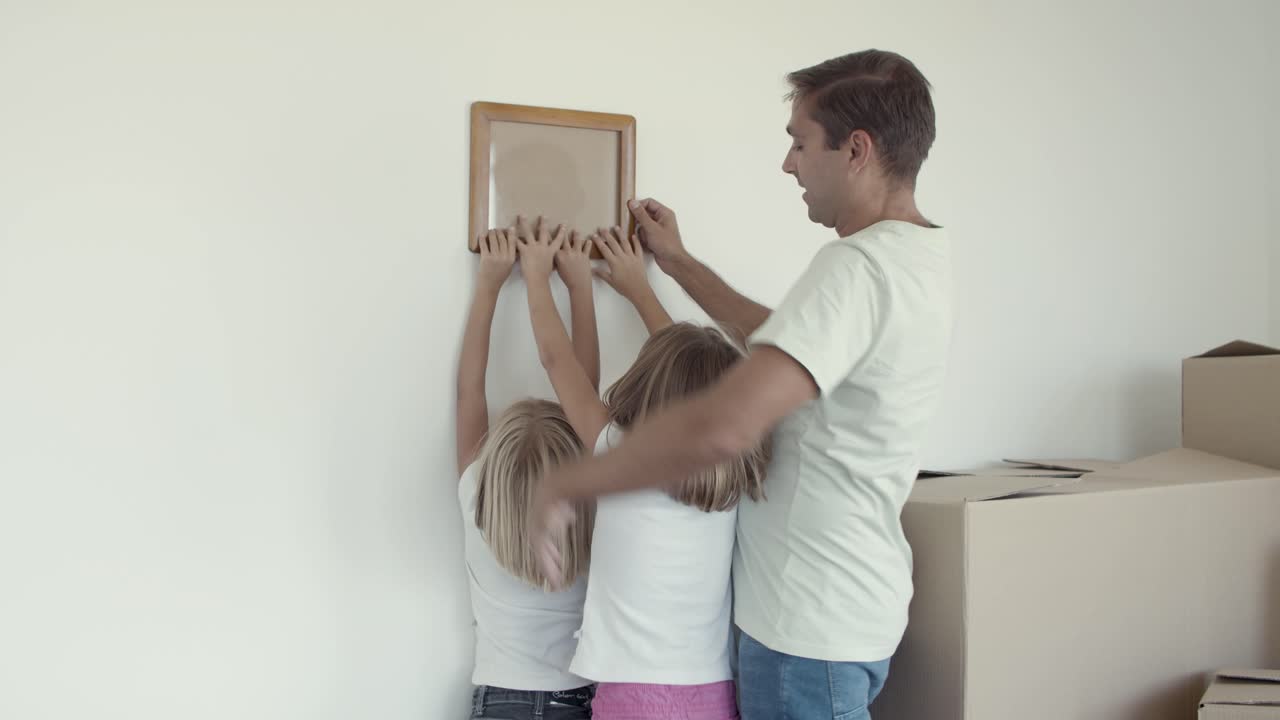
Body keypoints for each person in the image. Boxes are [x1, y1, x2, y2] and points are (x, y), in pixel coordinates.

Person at [530, 49, 952, 720]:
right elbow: (783, 341)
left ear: (857, 150)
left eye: (800, 142)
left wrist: (568, 483)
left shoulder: (856, 269)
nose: (789, 163)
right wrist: (675, 265)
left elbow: (723, 423)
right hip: (845, 615)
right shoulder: (914, 259)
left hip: (806, 633)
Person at [517, 215, 767, 720]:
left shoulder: (615, 448)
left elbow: (554, 358)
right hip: (713, 693)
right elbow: (696, 377)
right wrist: (639, 288)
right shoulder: (736, 468)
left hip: (634, 695)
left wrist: (538, 275)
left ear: (647, 377)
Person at [455, 227, 599, 720]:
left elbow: (469, 395)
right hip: (579, 700)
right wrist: (580, 287)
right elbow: (586, 393)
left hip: (500, 700)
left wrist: (488, 286)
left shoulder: (478, 493)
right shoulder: (592, 507)